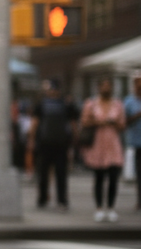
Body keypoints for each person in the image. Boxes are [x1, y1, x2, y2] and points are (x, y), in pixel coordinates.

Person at [80, 77, 126, 222]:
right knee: (99, 177)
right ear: (99, 88)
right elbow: (84, 121)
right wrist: (99, 121)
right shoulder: (91, 103)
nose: (106, 89)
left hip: (113, 145)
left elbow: (122, 125)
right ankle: (99, 208)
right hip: (98, 144)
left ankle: (111, 207)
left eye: (108, 86)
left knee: (113, 178)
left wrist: (113, 123)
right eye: (103, 86)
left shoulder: (117, 104)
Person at [29, 79, 77, 210]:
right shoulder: (65, 104)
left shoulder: (43, 104)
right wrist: (74, 139)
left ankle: (45, 199)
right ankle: (59, 199)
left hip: (48, 143)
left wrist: (31, 139)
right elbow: (73, 124)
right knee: (58, 173)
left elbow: (34, 123)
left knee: (47, 173)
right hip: (56, 143)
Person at [124, 73, 141, 209]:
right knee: (139, 172)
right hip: (137, 142)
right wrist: (137, 115)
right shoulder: (129, 101)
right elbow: (124, 121)